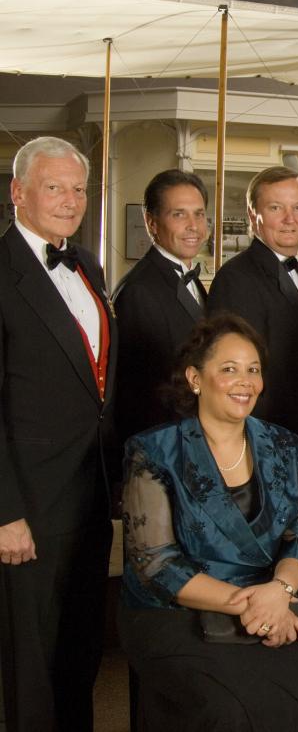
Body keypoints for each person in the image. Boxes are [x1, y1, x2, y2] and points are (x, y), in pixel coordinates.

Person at [117, 313, 298, 730]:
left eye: (253, 370)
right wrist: (256, 606)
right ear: (195, 378)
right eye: (229, 369)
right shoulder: (152, 450)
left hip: (273, 598)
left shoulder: (283, 444)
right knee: (232, 710)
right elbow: (157, 567)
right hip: (175, 611)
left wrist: (280, 591)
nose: (245, 381)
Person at [0, 136, 117, 731]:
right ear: (18, 192)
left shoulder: (88, 266)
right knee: (30, 667)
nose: (70, 200)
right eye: (54, 187)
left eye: (78, 189)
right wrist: (5, 511)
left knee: (80, 655)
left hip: (89, 493)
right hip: (29, 506)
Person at [209, 165, 298, 439]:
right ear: (253, 217)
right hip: (262, 434)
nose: (290, 219)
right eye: (276, 208)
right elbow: (231, 377)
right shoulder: (235, 279)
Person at [114, 169, 209, 442]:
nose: (193, 225)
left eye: (199, 214)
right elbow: (136, 394)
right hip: (163, 444)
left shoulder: (189, 279)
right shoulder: (138, 291)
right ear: (151, 223)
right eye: (179, 214)